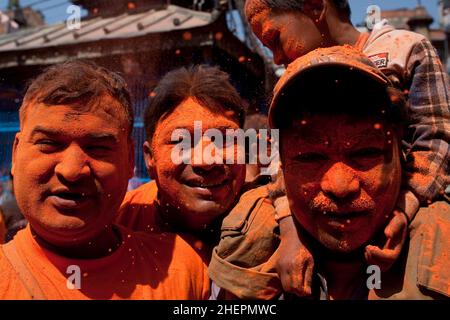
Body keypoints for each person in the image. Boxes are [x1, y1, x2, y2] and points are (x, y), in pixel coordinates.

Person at [244, 0, 450, 294]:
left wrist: (404, 209)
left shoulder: (404, 50)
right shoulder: (296, 81)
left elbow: (437, 138)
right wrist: (290, 231)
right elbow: (282, 160)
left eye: (275, 39)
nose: (276, 57)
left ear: (315, 8)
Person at [0, 60, 209, 300]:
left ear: (130, 160)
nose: (71, 171)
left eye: (98, 148)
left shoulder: (182, 269)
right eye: (48, 144)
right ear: (16, 153)